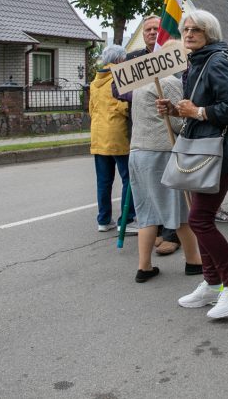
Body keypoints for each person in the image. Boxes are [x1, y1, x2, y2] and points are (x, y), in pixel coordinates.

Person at [156, 10, 228, 319]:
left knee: (199, 219)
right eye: (186, 30)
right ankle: (213, 284)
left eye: (195, 30)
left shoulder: (217, 62)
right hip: (207, 149)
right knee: (201, 217)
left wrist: (197, 112)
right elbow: (198, 108)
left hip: (221, 151)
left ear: (209, 33)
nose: (188, 34)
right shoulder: (198, 62)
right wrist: (176, 109)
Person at [123, 75, 202, 282]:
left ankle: (144, 266)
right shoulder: (169, 82)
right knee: (178, 208)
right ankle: (194, 261)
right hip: (161, 152)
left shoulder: (140, 83)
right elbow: (178, 123)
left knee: (146, 211)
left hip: (137, 150)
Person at [124, 15, 180, 254]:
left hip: (164, 133)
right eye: (147, 29)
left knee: (169, 192)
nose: (150, 32)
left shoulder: (173, 59)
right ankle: (156, 232)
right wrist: (145, 92)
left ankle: (171, 235)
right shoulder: (134, 58)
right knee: (148, 191)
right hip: (142, 128)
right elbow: (119, 89)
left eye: (155, 29)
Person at [89, 45, 134, 233]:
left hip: (98, 136)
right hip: (118, 135)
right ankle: (127, 220)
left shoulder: (94, 82)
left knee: (103, 181)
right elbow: (123, 106)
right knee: (129, 179)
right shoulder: (120, 78)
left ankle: (103, 220)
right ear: (119, 61)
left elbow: (91, 109)